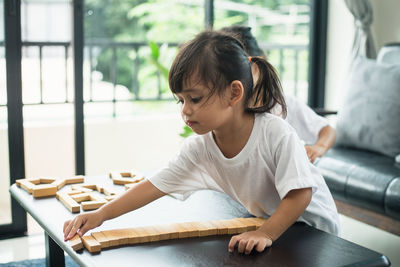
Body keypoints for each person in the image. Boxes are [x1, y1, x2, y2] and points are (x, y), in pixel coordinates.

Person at [64, 30, 340, 255]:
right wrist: (100, 215)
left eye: (194, 99)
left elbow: (300, 194)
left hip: (313, 229)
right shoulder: (200, 147)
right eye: (181, 100)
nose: (185, 110)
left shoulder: (275, 133)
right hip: (271, 224)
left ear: (234, 93)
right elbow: (155, 185)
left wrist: (266, 232)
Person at [221, 26, 337, 163]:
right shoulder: (224, 111)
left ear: (259, 62)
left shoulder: (282, 104)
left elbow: (327, 130)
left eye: (242, 70)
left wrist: (318, 148)